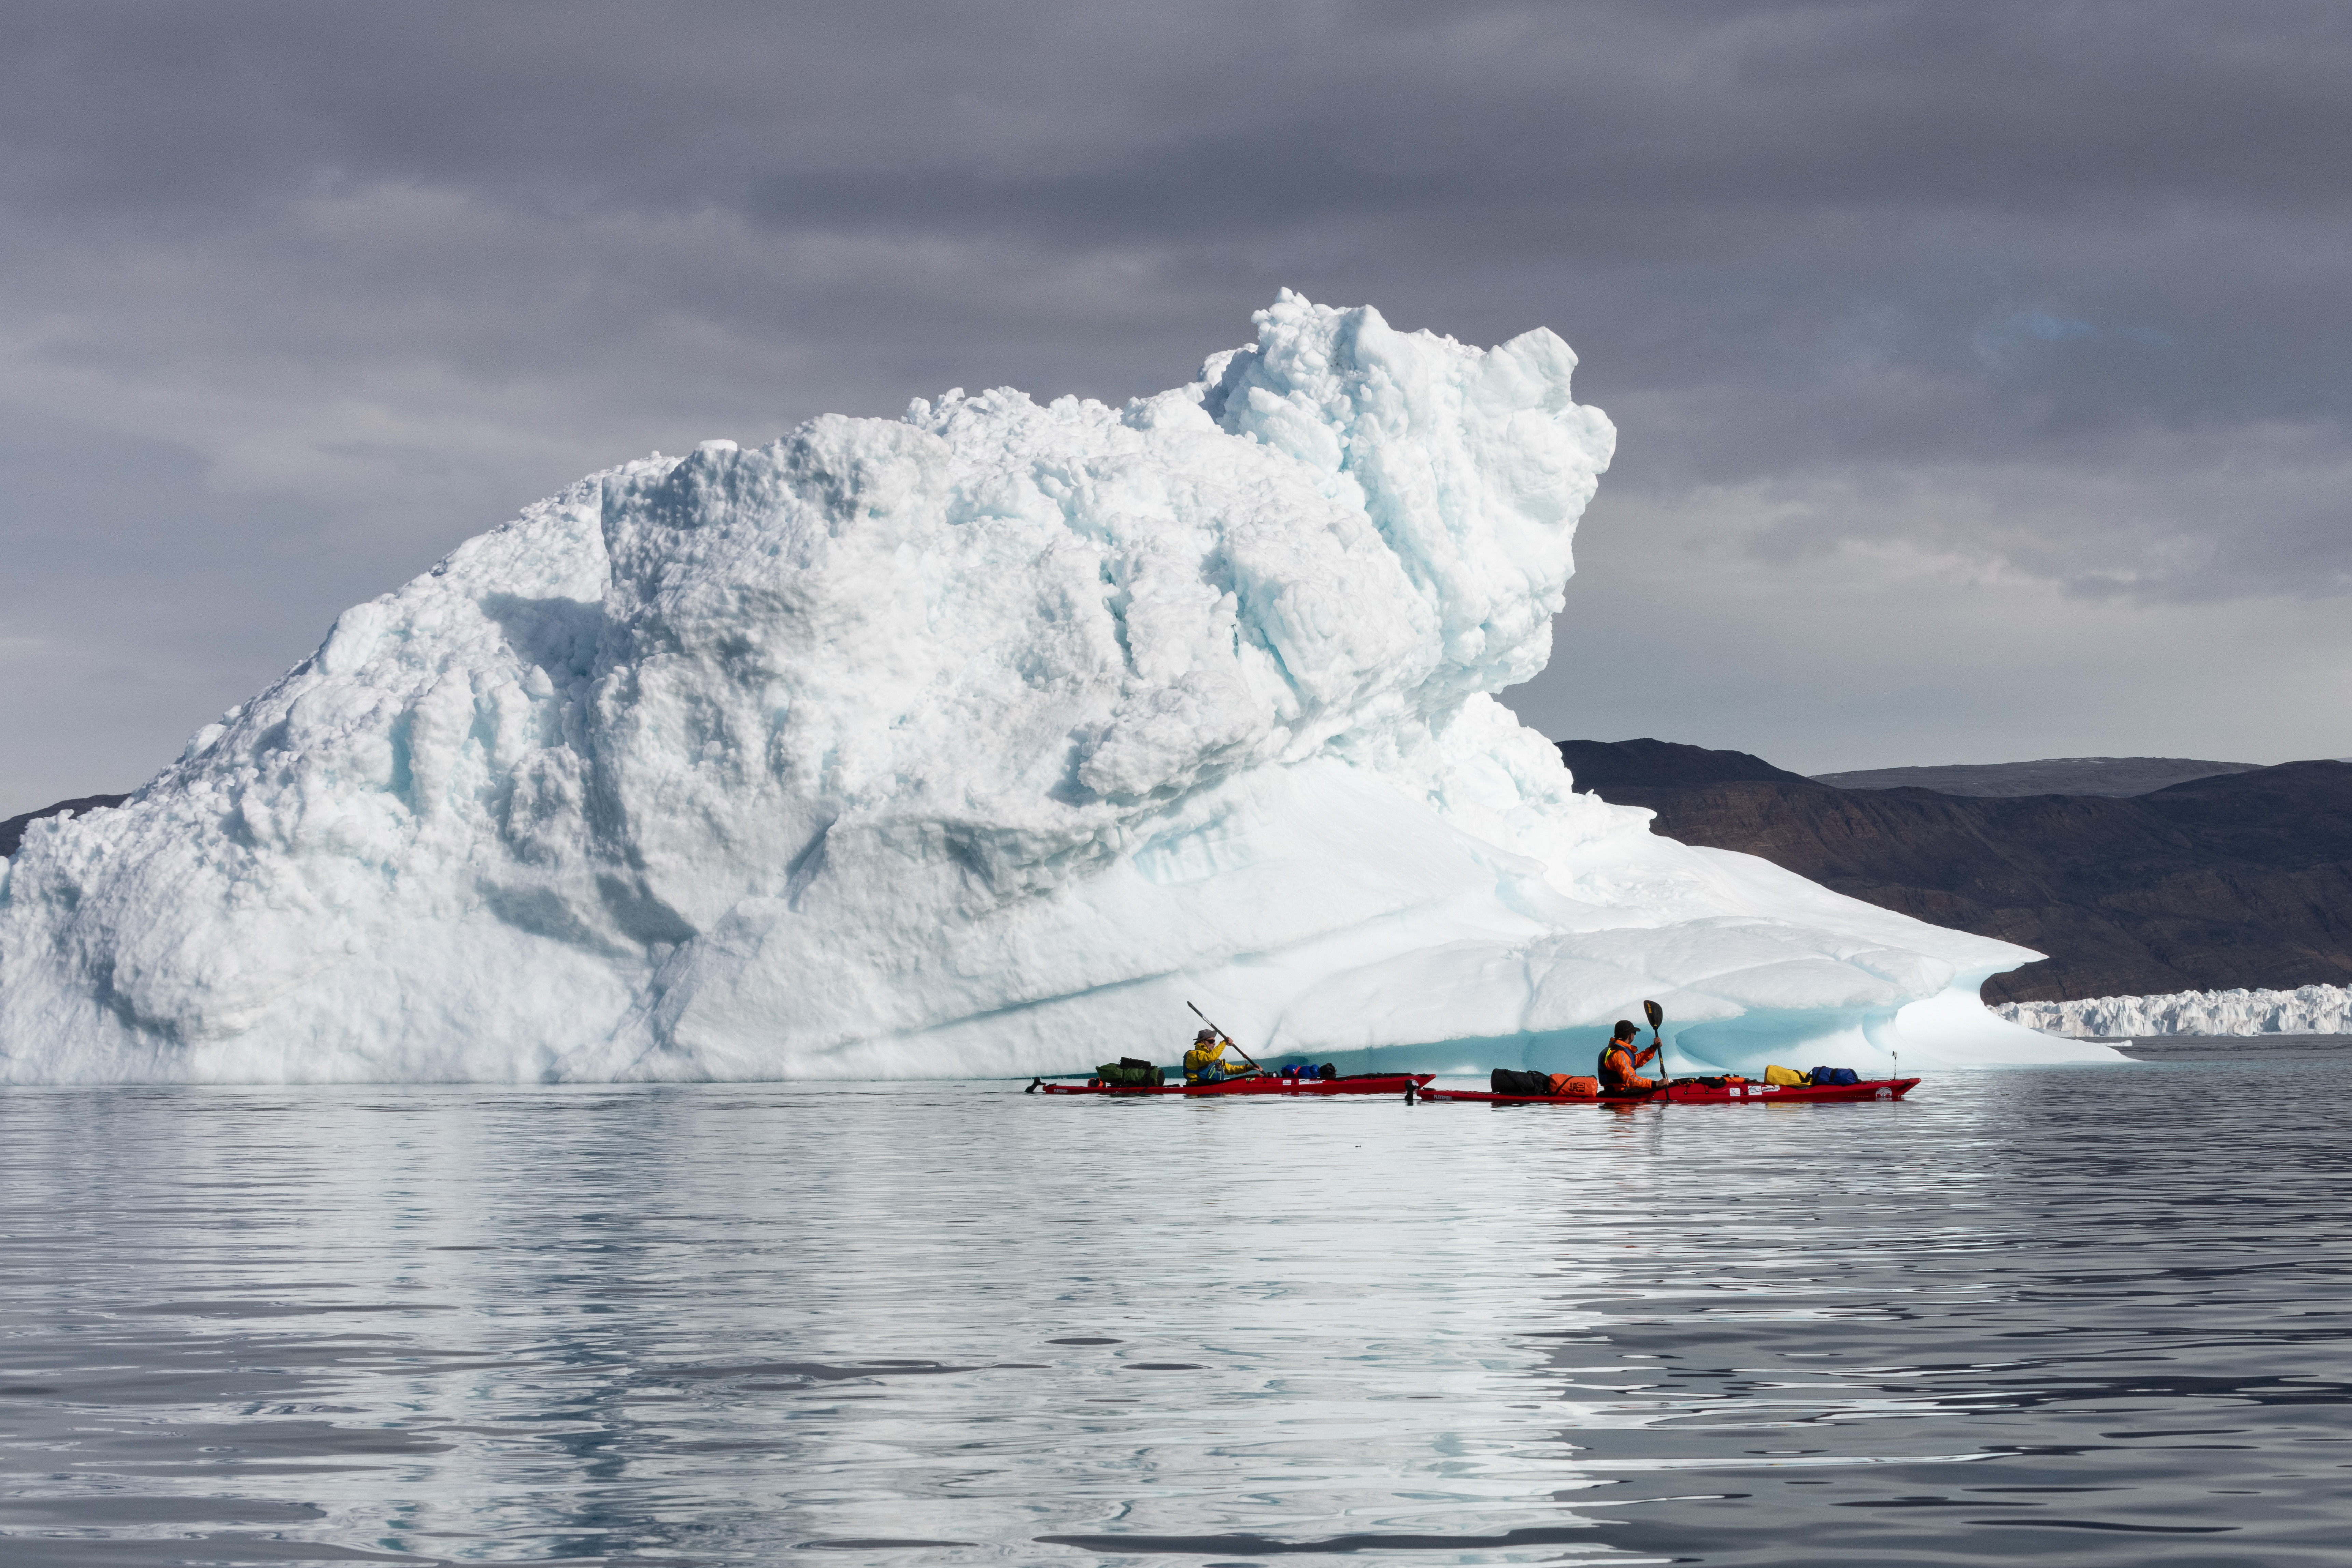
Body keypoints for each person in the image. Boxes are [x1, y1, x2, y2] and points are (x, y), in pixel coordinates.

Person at [1597, 1019, 1660, 1092]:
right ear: (1631, 1035)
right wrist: (1655, 1084)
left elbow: (1636, 1061)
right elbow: (1630, 1080)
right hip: (1620, 1093)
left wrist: (1653, 1049)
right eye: (1634, 1033)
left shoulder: (1615, 1051)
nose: (1634, 1035)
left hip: (1617, 1091)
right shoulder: (1620, 1055)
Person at [1183, 1027, 1252, 1085]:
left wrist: (1249, 1068)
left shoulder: (1213, 1057)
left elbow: (1230, 1069)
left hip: (1211, 1086)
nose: (1214, 1043)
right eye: (1211, 1041)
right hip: (1197, 1086)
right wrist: (1224, 1043)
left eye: (1214, 1041)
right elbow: (1209, 1058)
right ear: (1202, 1042)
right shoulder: (1193, 1055)